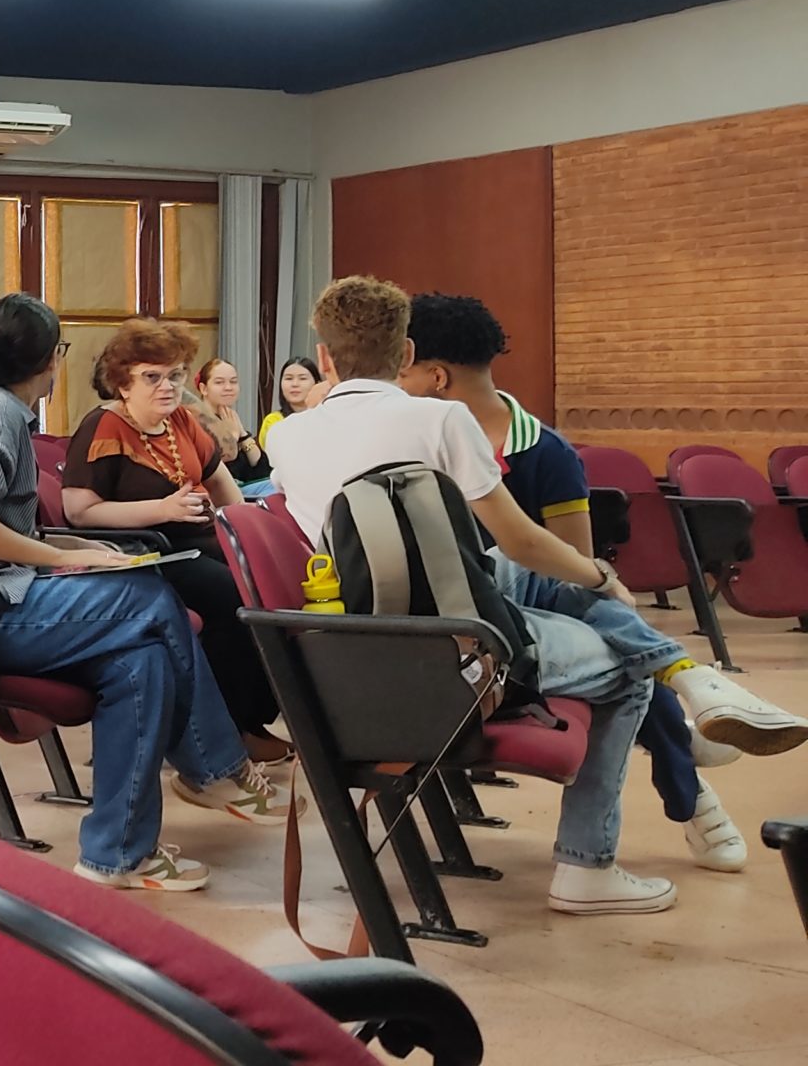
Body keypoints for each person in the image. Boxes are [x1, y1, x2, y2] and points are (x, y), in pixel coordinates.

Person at [267, 277, 806, 914]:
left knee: (526, 573)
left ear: (324, 357)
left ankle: (693, 683)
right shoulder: (441, 419)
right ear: (405, 352)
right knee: (625, 667)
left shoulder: (286, 436)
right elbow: (521, 538)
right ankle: (590, 860)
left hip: (355, 640)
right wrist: (601, 578)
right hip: (454, 648)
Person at [0, 293, 287, 892]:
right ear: (52, 359)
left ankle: (117, 855)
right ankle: (215, 768)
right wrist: (61, 558)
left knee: (140, 661)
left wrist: (80, 549)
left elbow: (1, 529)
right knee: (150, 597)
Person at [400, 292, 742, 871]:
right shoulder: (413, 438)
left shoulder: (548, 452)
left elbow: (575, 566)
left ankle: (683, 757)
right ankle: (687, 740)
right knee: (625, 647)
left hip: (538, 603)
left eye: (402, 371)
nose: (396, 385)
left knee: (602, 623)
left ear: (436, 376)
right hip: (467, 613)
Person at [61, 322, 288, 763]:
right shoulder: (103, 426)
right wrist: (161, 509)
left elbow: (221, 481)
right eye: (153, 377)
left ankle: (253, 717)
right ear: (122, 381)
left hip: (196, 538)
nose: (168, 387)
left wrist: (247, 530)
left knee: (265, 578)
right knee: (231, 594)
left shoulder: (179, 420)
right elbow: (79, 512)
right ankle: (229, 729)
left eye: (176, 375)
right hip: (143, 550)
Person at [192, 356, 272, 496]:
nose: (228, 387)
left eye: (233, 381)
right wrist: (232, 439)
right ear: (203, 388)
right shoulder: (195, 423)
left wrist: (243, 435)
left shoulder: (231, 420)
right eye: (219, 382)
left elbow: (263, 473)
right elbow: (208, 469)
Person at [258, 356, 321, 447]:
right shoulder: (273, 421)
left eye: (302, 378)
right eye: (289, 378)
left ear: (318, 383)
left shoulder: (326, 418)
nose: (295, 384)